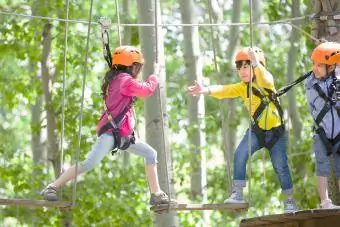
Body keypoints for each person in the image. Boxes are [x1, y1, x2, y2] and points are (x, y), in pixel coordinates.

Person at [42, 46, 176, 206]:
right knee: (89, 163)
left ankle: (156, 194)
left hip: (124, 135)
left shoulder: (118, 79)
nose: (139, 70)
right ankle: (53, 187)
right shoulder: (124, 80)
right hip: (112, 133)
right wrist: (155, 76)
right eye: (138, 67)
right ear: (131, 66)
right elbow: (147, 90)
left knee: (150, 154)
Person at [188, 47, 297, 212]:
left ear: (255, 67)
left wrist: (256, 63)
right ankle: (237, 193)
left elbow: (265, 77)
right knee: (240, 154)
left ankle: (289, 200)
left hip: (276, 134)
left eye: (246, 67)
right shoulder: (242, 87)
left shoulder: (266, 82)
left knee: (281, 166)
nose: (242, 71)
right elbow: (225, 90)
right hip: (257, 132)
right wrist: (206, 90)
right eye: (239, 67)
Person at [305, 41, 340, 209]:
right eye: (313, 64)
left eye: (319, 65)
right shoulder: (311, 83)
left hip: (339, 132)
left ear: (332, 67)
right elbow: (311, 107)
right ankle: (325, 201)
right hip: (321, 133)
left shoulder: (337, 80)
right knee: (322, 166)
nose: (314, 68)